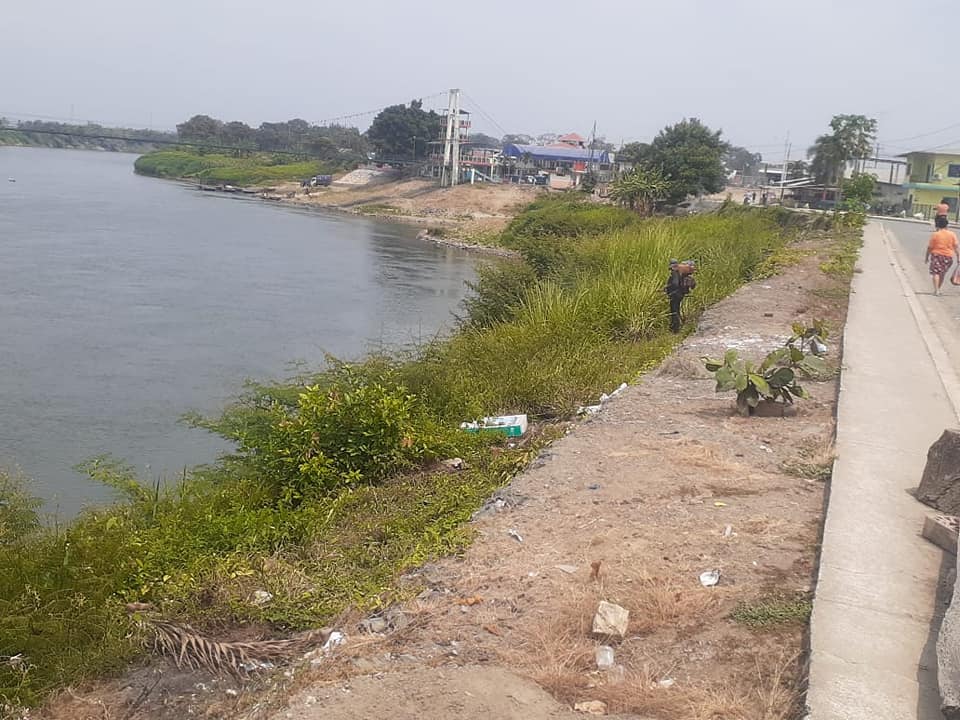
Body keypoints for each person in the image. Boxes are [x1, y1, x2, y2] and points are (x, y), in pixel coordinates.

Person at [926, 215, 958, 296]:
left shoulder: (935, 234)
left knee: (935, 273)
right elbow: (956, 247)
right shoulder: (952, 234)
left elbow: (930, 247)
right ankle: (938, 289)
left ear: (937, 225)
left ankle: (936, 290)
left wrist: (927, 257)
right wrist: (958, 257)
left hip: (937, 255)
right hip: (948, 256)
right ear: (947, 225)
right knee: (942, 273)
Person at [665, 259, 696, 333]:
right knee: (676, 309)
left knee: (674, 310)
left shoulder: (675, 272)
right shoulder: (680, 271)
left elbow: (675, 283)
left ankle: (675, 328)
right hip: (680, 293)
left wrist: (668, 288)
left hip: (675, 294)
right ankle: (675, 326)